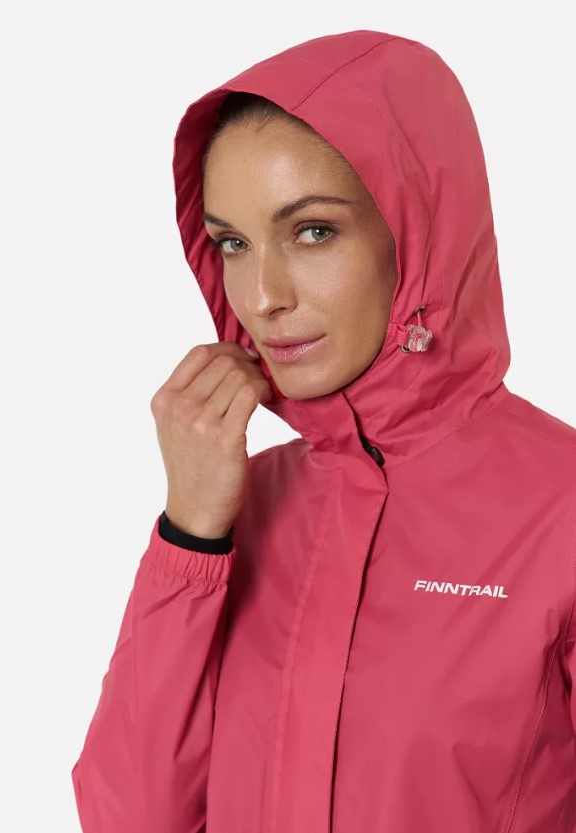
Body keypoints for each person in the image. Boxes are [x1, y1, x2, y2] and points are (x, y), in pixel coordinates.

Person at [71, 29, 576, 833]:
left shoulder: (559, 507)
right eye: (233, 243)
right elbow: (131, 818)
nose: (262, 296)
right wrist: (190, 535)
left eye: (312, 231)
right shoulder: (239, 500)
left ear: (417, 228)